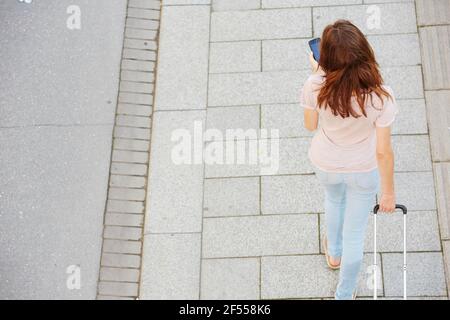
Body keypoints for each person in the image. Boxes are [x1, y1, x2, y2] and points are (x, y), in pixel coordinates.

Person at [300, 20, 398, 300]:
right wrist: (388, 193)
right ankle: (344, 293)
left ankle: (334, 254)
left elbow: (310, 125)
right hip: (364, 170)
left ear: (326, 58)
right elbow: (383, 151)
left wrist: (317, 76)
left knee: (333, 201)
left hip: (326, 162)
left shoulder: (314, 85)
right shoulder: (383, 96)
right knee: (355, 232)